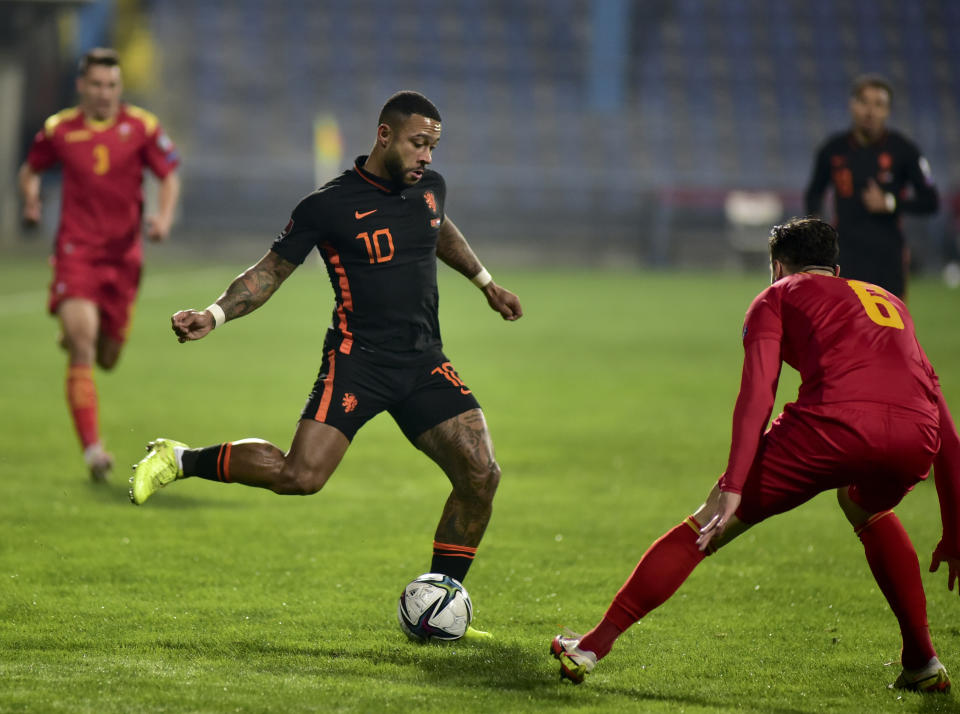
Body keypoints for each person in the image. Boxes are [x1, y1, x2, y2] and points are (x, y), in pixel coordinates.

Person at [129, 92, 522, 629]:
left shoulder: (430, 188)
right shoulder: (328, 205)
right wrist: (215, 315)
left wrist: (486, 284)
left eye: (433, 146)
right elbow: (269, 272)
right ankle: (180, 459)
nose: (427, 156)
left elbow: (438, 225)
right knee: (301, 476)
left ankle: (440, 599)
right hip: (357, 361)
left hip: (423, 361)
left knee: (481, 473)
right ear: (384, 135)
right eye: (418, 143)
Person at [551, 217, 960, 693]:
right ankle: (922, 661)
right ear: (836, 266)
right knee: (864, 505)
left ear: (777, 265)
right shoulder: (889, 301)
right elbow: (948, 429)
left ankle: (592, 647)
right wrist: (954, 529)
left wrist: (732, 484)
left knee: (707, 526)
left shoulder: (779, 295)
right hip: (914, 436)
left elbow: (757, 396)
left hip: (830, 427)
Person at [18, 48, 181, 482]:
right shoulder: (59, 129)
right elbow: (30, 170)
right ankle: (93, 451)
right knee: (84, 345)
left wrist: (162, 219)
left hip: (124, 261)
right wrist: (31, 198)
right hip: (77, 254)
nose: (104, 92)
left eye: (111, 85)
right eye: (96, 84)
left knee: (108, 357)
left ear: (119, 87)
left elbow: (168, 175)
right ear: (81, 86)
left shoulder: (142, 127)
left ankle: (76, 331)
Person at [804, 73, 938, 299]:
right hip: (845, 253)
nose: (870, 111)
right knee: (845, 325)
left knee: (890, 328)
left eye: (879, 104)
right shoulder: (832, 150)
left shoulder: (904, 151)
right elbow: (814, 192)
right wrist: (817, 227)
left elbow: (931, 200)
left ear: (887, 111)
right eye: (864, 102)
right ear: (852, 105)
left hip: (888, 255)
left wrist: (890, 202)